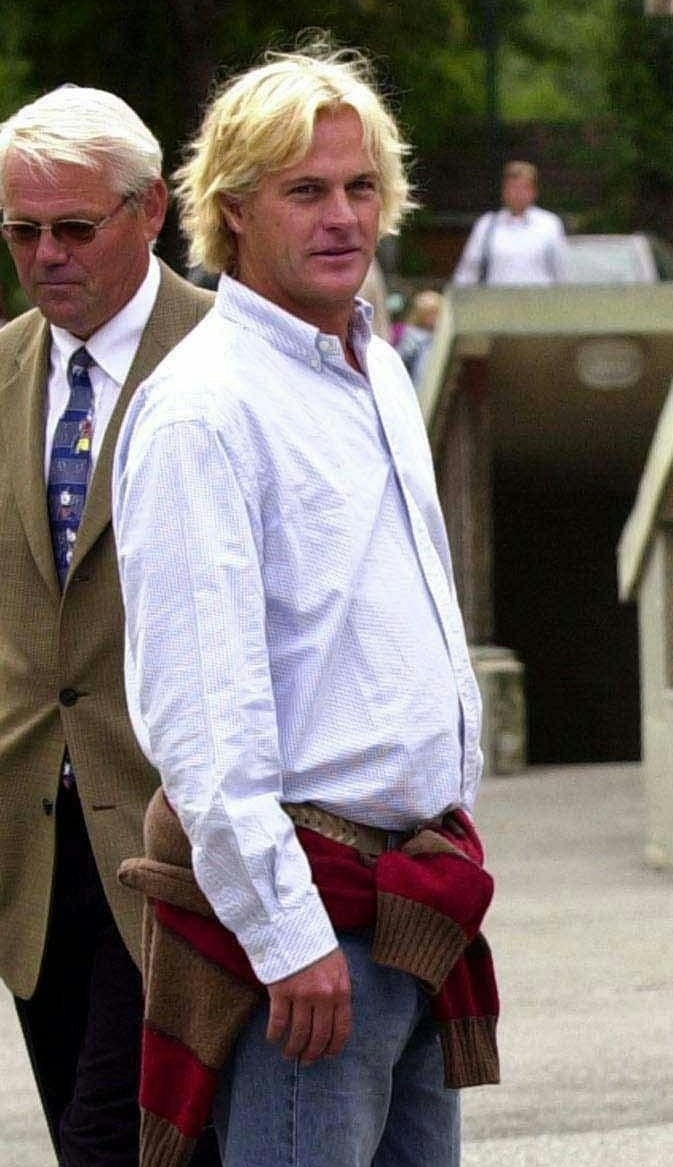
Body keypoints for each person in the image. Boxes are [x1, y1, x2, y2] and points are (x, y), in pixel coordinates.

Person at [111, 44, 496, 1166]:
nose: (343, 217)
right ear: (231, 212)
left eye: (360, 186)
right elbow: (201, 716)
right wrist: (284, 938)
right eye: (305, 191)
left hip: (416, 905)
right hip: (312, 928)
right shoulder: (203, 410)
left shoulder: (373, 362)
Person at [0, 84, 217, 1167]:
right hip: (33, 861)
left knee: (116, 1147)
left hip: (185, 846)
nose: (45, 256)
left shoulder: (233, 358)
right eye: (21, 230)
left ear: (151, 211)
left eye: (73, 227)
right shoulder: (2, 372)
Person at [450, 159, 567, 286]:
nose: (518, 193)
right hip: (497, 301)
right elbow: (469, 270)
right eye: (513, 187)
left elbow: (562, 270)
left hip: (539, 302)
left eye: (524, 188)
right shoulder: (487, 224)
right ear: (504, 191)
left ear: (534, 192)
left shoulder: (549, 224)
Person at [396, 287, 443, 382]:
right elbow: (400, 359)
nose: (434, 317)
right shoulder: (412, 336)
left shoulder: (441, 336)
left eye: (437, 313)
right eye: (430, 313)